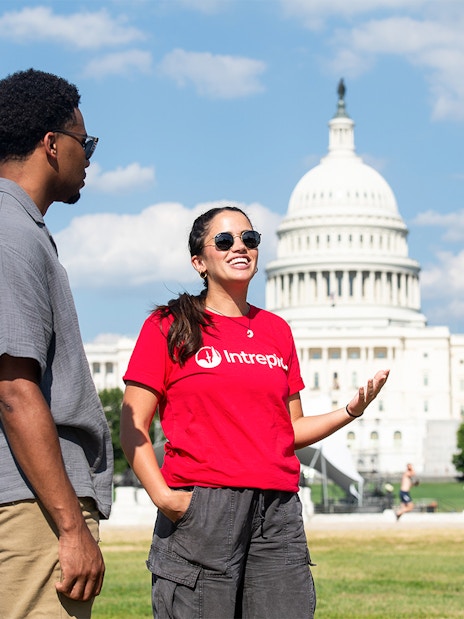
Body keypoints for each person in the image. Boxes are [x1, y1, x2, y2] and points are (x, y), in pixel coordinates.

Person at [120, 205, 389, 619]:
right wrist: (165, 498)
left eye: (250, 239)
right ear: (199, 261)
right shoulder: (169, 324)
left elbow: (291, 430)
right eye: (224, 241)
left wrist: (350, 410)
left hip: (277, 512)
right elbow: (132, 424)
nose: (240, 247)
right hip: (203, 506)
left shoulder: (276, 331)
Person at [0, 69, 113, 619]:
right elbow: (15, 390)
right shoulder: (11, 234)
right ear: (51, 145)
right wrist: (70, 526)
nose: (89, 156)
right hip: (30, 508)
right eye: (83, 142)